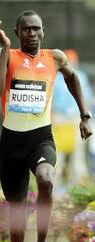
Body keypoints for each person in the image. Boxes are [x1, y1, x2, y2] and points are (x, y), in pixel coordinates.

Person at [0, 11, 92, 242]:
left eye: (36, 29)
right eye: (26, 30)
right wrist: (6, 50)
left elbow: (72, 79)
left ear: (42, 32)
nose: (32, 34)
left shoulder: (55, 57)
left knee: (46, 179)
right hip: (11, 143)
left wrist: (84, 115)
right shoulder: (4, 54)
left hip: (40, 138)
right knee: (17, 213)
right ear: (18, 32)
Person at [52, 49, 94, 185]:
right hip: (59, 118)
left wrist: (86, 118)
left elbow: (87, 98)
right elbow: (50, 100)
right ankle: (53, 184)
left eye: (73, 61)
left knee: (78, 154)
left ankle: (77, 184)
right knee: (57, 153)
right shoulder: (56, 78)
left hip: (76, 118)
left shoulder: (80, 76)